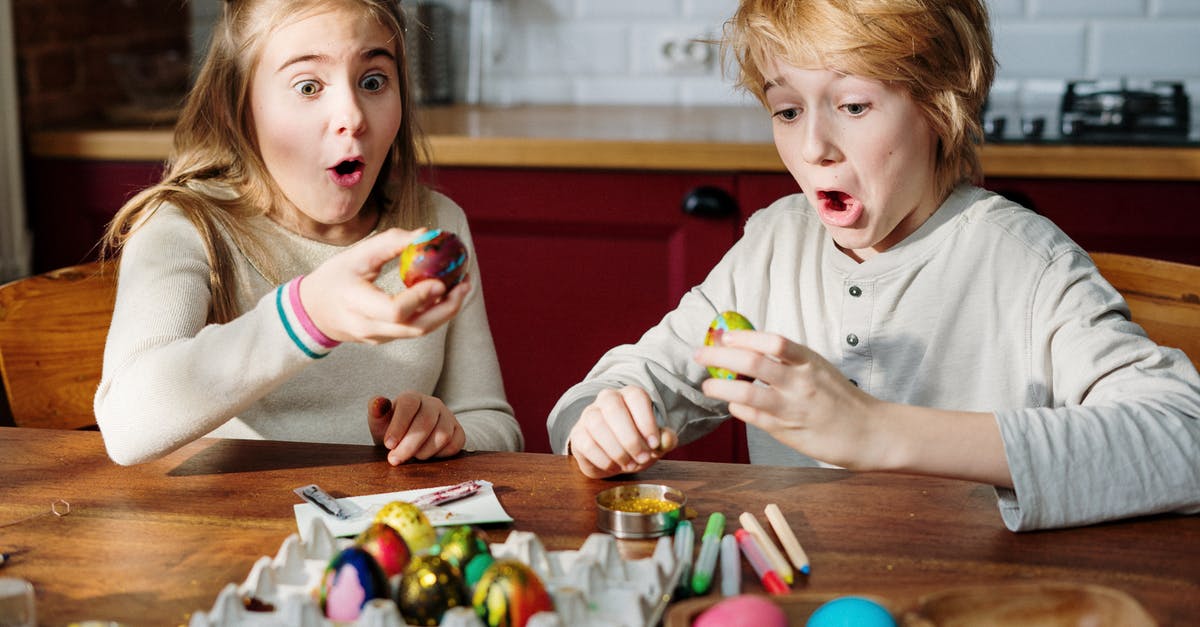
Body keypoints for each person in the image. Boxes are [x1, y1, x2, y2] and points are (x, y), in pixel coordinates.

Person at [547, 0, 1200, 531]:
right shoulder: (773, 247)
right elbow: (606, 393)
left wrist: (875, 430)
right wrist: (601, 422)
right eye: (787, 109)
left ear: (939, 105)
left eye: (854, 106)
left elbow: (1184, 440)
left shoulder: (1026, 264)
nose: (813, 147)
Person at [95, 0, 522, 466]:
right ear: (238, 106)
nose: (353, 117)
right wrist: (308, 316)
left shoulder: (436, 223)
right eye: (308, 86)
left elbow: (494, 423)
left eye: (373, 81)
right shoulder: (183, 227)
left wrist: (448, 432)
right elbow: (126, 426)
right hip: (236, 533)